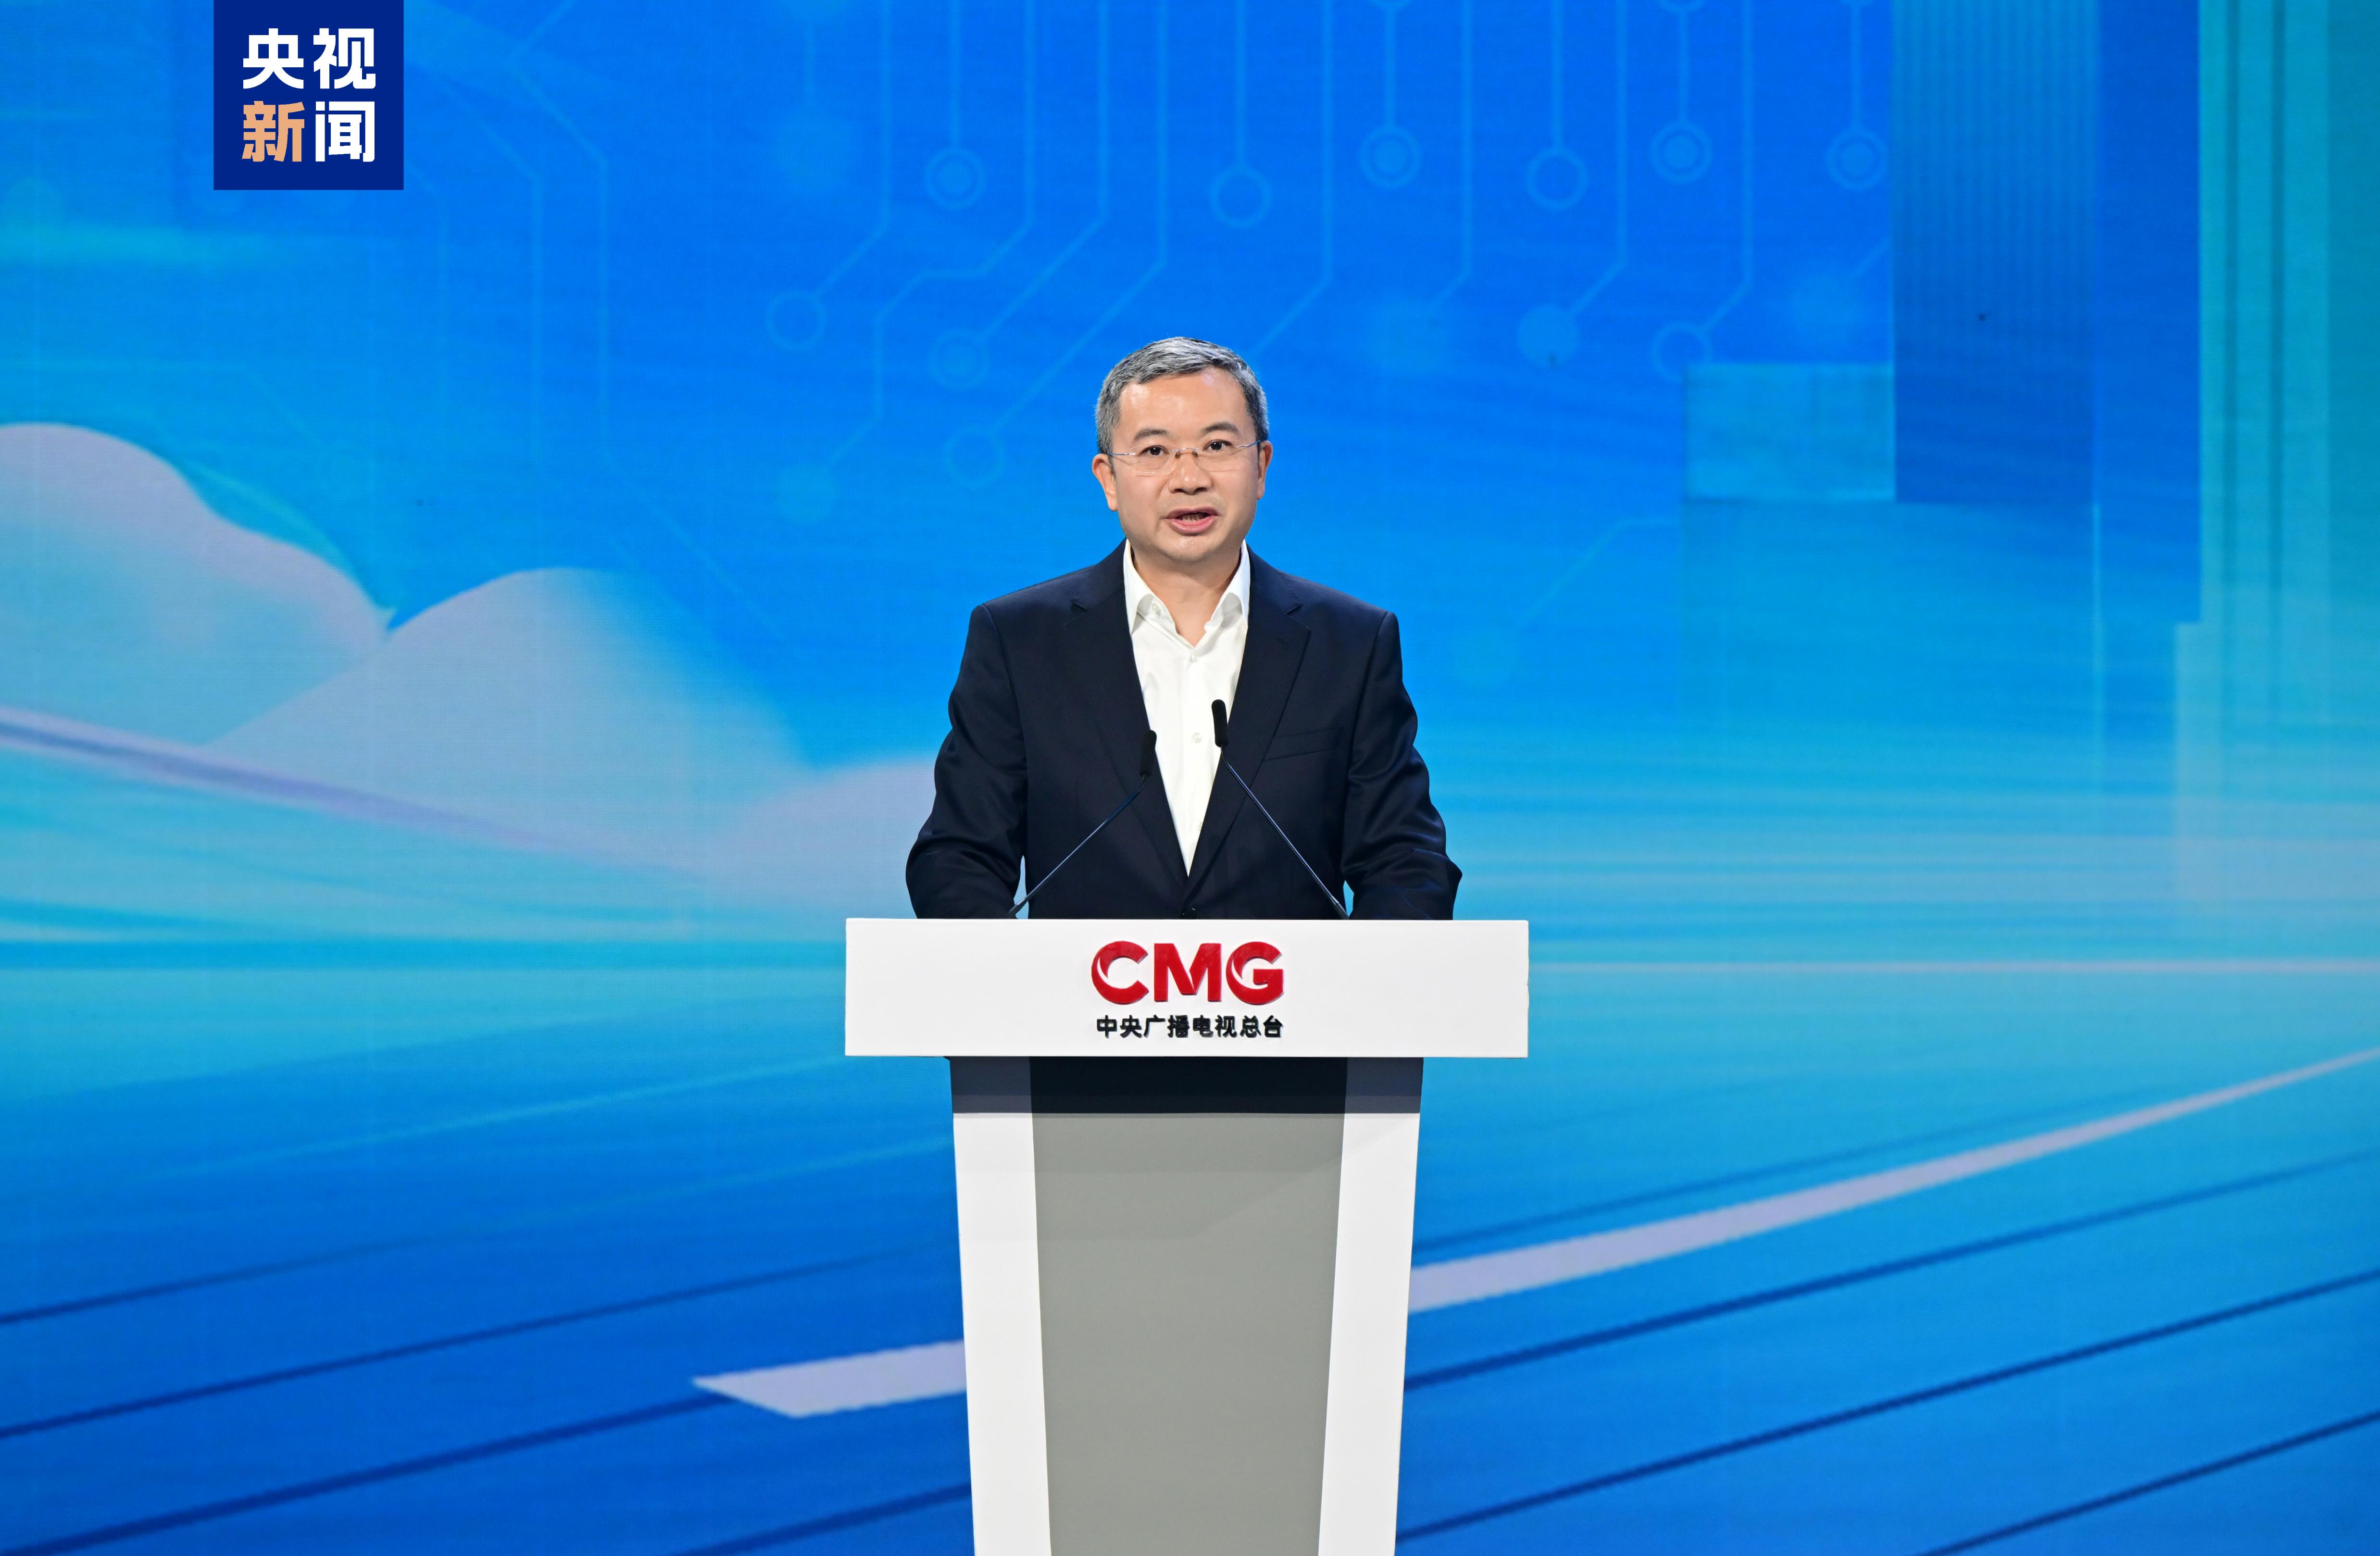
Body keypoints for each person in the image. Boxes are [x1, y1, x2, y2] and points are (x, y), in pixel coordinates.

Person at [907, 336, 1459, 920]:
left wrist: (1361, 974)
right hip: (1087, 983)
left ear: (1261, 466)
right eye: (1155, 451)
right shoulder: (1019, 642)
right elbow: (960, 858)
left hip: (1284, 984)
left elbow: (1405, 862)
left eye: (1217, 446)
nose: (1189, 478)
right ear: (1108, 479)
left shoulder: (1350, 645)